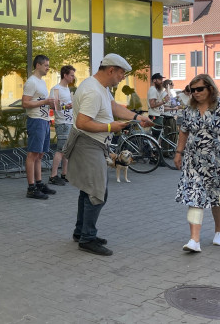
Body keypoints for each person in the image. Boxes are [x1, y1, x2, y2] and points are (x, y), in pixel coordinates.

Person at [63, 54, 153, 255]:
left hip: (93, 144)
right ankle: (87, 238)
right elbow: (83, 123)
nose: (122, 78)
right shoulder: (93, 91)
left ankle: (81, 232)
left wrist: (138, 118)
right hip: (89, 144)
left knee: (88, 190)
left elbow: (114, 107)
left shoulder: (100, 88)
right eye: (121, 73)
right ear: (111, 70)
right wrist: (111, 126)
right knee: (97, 193)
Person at [173, 74, 220, 253]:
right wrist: (178, 153)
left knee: (217, 197)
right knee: (195, 196)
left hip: (218, 161)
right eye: (192, 90)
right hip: (193, 162)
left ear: (210, 88)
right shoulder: (189, 110)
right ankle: (194, 240)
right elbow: (183, 132)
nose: (195, 93)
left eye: (199, 89)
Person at [22, 54, 57, 199]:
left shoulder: (41, 82)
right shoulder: (31, 82)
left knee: (40, 154)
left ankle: (39, 183)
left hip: (44, 120)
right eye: (46, 65)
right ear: (38, 65)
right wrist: (44, 102)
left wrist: (51, 103)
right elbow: (25, 103)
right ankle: (31, 188)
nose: (48, 68)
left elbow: (41, 100)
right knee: (33, 154)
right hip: (36, 120)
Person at [48, 65, 76, 186]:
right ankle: (53, 175)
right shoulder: (56, 89)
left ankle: (64, 174)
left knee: (67, 149)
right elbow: (52, 106)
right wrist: (66, 106)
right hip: (62, 122)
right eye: (71, 75)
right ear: (65, 75)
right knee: (60, 149)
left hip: (69, 122)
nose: (73, 78)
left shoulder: (68, 89)